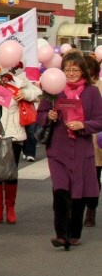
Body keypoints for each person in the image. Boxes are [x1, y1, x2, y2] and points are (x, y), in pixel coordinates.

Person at [37, 51, 102, 249]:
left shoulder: (91, 92)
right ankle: (61, 234)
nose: (71, 73)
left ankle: (74, 233)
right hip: (58, 149)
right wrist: (50, 116)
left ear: (83, 71)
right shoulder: (53, 89)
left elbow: (99, 120)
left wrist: (83, 125)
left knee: (79, 193)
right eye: (67, 69)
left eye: (75, 69)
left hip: (82, 150)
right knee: (61, 189)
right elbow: (39, 115)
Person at [0, 62, 40, 225]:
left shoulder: (20, 79)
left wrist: (23, 93)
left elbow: (37, 92)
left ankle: (10, 208)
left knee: (10, 173)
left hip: (14, 133)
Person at [85, 55, 102, 227]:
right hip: (82, 137)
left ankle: (91, 210)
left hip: (98, 139)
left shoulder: (99, 87)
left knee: (95, 178)